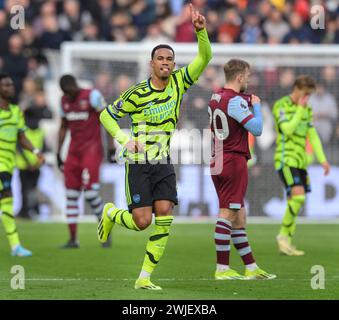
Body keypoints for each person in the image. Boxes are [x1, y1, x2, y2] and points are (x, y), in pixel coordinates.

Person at [97, 4, 212, 290]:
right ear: (152, 63)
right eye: (160, 58)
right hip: (138, 163)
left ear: (174, 64)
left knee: (165, 216)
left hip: (162, 162)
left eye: (169, 59)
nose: (165, 63)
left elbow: (205, 57)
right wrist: (125, 139)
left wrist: (201, 32)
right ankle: (111, 213)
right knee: (141, 222)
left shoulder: (180, 82)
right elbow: (106, 115)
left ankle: (144, 278)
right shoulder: (136, 93)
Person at [208, 59, 276, 280]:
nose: (248, 79)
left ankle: (251, 267)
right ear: (239, 77)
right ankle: (222, 269)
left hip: (217, 156)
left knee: (239, 217)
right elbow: (256, 129)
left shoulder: (216, 96)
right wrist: (255, 105)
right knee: (227, 213)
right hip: (233, 159)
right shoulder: (236, 102)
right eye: (247, 76)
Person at [273, 75, 330, 256]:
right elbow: (287, 130)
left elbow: (312, 136)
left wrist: (322, 160)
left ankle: (286, 242)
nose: (307, 99)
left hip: (300, 162)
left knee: (294, 201)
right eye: (305, 94)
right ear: (296, 88)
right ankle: (282, 236)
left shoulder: (307, 109)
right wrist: (299, 109)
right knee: (299, 198)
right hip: (285, 160)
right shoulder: (281, 105)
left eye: (309, 96)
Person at [57, 74, 113, 248]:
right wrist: (59, 152)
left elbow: (107, 120)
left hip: (92, 150)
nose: (69, 94)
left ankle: (105, 228)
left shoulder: (92, 96)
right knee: (71, 195)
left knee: (90, 194)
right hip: (73, 152)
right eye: (66, 92)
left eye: (70, 91)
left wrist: (111, 147)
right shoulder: (64, 101)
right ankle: (73, 239)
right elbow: (63, 127)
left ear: (75, 85)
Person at [0, 73, 44, 257]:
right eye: (6, 85)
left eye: (11, 84)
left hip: (9, 165)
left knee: (7, 201)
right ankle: (15, 245)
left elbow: (22, 137)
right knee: (7, 198)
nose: (10, 87)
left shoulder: (16, 111)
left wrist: (35, 152)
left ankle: (15, 246)